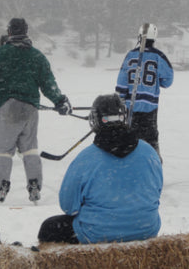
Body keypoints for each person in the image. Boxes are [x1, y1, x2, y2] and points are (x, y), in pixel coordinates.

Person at [0, 18, 72, 203]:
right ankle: (34, 184)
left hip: (7, 105)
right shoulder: (37, 56)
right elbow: (48, 84)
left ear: (9, 32)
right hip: (30, 107)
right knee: (30, 148)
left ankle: (1, 186)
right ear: (26, 32)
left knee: (4, 150)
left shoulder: (0, 54)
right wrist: (60, 101)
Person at [37, 94, 163, 244]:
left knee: (48, 227)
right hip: (146, 229)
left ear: (95, 120)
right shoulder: (149, 152)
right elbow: (157, 191)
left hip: (96, 233)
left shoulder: (85, 158)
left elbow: (68, 206)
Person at [115, 23, 173, 157]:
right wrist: (158, 82)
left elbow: (121, 81)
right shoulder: (159, 56)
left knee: (131, 138)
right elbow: (168, 80)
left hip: (131, 107)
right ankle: (154, 163)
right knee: (151, 139)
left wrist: (121, 99)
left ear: (139, 37)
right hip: (149, 107)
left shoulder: (131, 55)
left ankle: (130, 162)